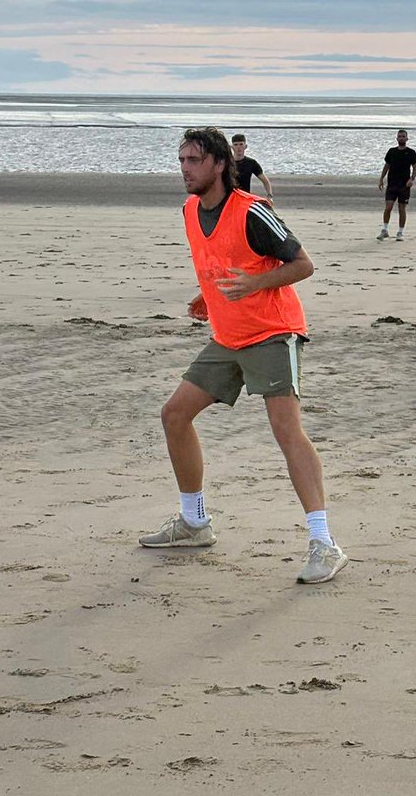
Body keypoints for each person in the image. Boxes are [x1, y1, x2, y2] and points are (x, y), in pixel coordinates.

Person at [139, 127, 347, 585]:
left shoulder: (253, 211)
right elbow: (224, 262)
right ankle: (194, 523)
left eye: (194, 160)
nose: (185, 170)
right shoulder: (191, 210)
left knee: (286, 431)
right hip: (228, 335)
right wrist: (206, 295)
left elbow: (303, 264)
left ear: (218, 164)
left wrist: (255, 285)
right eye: (182, 161)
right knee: (174, 415)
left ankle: (324, 544)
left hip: (273, 333)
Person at [378, 129, 416, 241]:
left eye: (403, 136)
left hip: (404, 185)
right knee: (388, 207)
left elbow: (415, 168)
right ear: (397, 138)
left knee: (402, 209)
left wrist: (412, 179)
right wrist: (381, 179)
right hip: (392, 184)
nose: (401, 138)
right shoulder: (392, 151)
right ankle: (384, 230)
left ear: (406, 138)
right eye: (399, 136)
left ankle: (400, 232)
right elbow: (386, 166)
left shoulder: (411, 152)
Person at [230, 134, 274, 204]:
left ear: (245, 146)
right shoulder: (227, 163)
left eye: (241, 144)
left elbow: (265, 181)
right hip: (229, 199)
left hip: (244, 199)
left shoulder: (251, 163)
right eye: (236, 145)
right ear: (232, 147)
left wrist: (269, 196)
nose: (239, 147)